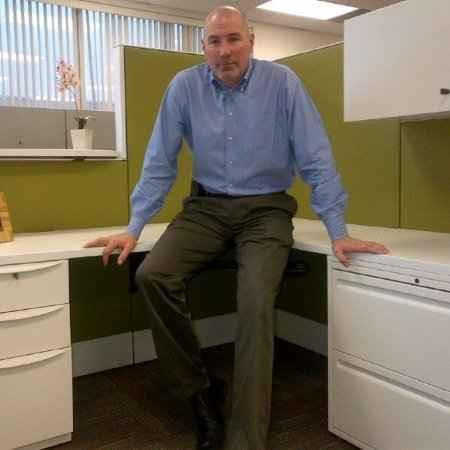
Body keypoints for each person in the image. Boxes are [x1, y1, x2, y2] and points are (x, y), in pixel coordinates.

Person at [85, 6, 389, 450]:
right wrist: (134, 226)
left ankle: (245, 440)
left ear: (251, 41)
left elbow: (315, 157)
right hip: (205, 207)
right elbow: (159, 163)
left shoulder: (282, 83)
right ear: (203, 46)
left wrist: (337, 229)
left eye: (233, 39)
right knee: (152, 275)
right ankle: (200, 392)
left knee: (255, 304)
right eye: (214, 41)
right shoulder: (184, 87)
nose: (224, 51)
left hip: (266, 210)